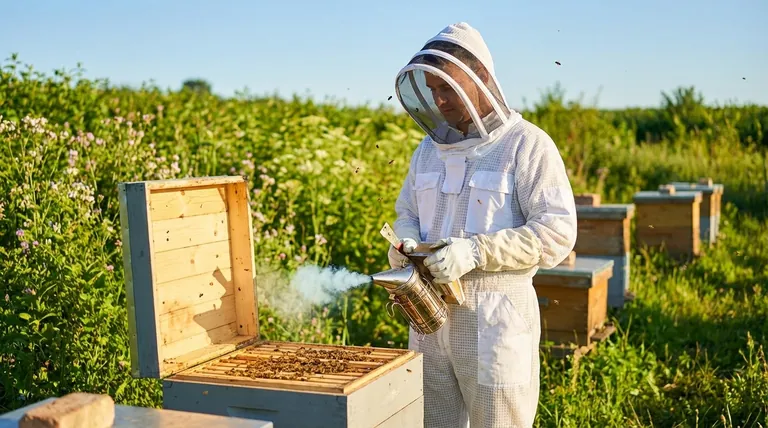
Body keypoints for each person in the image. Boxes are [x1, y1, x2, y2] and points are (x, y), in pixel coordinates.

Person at [387, 22, 578, 427]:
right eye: (432, 89)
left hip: (494, 324)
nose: (439, 100)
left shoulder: (526, 145)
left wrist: (475, 252)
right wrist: (404, 240)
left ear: (481, 80)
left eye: (448, 88)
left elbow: (556, 233)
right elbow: (408, 213)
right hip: (428, 319)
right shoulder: (427, 151)